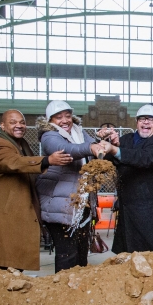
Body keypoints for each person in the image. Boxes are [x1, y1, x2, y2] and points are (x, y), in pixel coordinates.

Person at [0, 110, 72, 270]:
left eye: (22, 122)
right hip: (1, 209)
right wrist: (48, 160)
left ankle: (13, 283)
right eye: (13, 122)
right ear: (2, 126)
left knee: (13, 256)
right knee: (4, 257)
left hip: (13, 209)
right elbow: (14, 162)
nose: (19, 125)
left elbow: (29, 168)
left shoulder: (21, 143)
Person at [36, 100, 104, 272]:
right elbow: (66, 150)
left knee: (81, 252)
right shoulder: (49, 135)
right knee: (67, 253)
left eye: (67, 116)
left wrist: (101, 140)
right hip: (60, 205)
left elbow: (90, 147)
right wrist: (92, 146)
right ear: (50, 120)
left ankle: (77, 292)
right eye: (59, 117)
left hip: (80, 204)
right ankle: (62, 291)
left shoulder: (78, 132)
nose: (65, 120)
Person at [100, 104, 153, 253]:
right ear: (137, 122)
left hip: (151, 209)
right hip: (127, 206)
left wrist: (116, 150)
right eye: (142, 119)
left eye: (151, 120)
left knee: (151, 252)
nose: (146, 122)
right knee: (127, 252)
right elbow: (107, 161)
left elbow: (143, 158)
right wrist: (106, 142)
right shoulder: (126, 140)